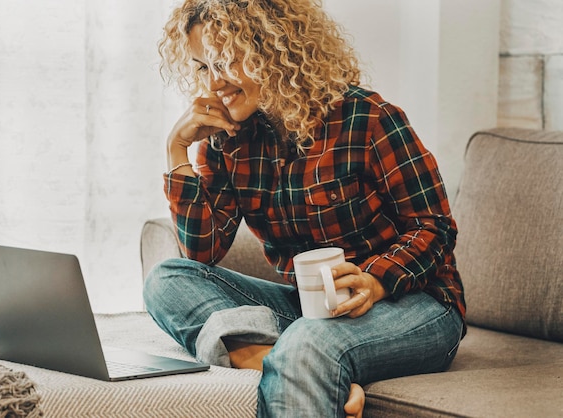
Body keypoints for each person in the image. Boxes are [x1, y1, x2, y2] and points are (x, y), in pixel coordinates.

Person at [144, 0, 466, 417]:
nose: (214, 82)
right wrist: (178, 150)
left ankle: (298, 359)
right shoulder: (227, 140)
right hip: (314, 307)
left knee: (309, 340)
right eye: (203, 67)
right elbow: (202, 255)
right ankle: (269, 358)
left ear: (272, 51)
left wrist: (374, 280)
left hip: (416, 304)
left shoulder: (367, 117)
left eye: (224, 61)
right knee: (166, 279)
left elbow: (435, 227)